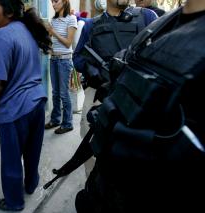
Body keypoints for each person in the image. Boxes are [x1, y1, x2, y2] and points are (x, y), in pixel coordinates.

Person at [75, 0, 205, 212]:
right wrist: (93, 71)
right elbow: (79, 58)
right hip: (108, 105)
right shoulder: (160, 25)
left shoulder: (147, 18)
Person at [0, 0, 51, 211]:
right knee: (32, 151)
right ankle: (30, 184)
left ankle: (14, 202)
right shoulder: (26, 30)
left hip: (16, 108)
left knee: (11, 161)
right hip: (37, 102)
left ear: (8, 12)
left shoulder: (2, 35)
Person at [73, 0, 158, 178]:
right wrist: (90, 69)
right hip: (99, 96)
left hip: (137, 98)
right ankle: (93, 190)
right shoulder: (91, 25)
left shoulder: (148, 17)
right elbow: (78, 57)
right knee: (91, 148)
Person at [44, 0, 77, 134]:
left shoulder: (71, 19)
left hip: (64, 61)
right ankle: (55, 119)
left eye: (56, 1)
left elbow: (68, 43)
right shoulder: (54, 20)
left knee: (64, 93)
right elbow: (51, 40)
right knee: (55, 93)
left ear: (64, 2)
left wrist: (53, 31)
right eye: (52, 2)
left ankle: (68, 123)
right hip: (54, 59)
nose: (53, 4)